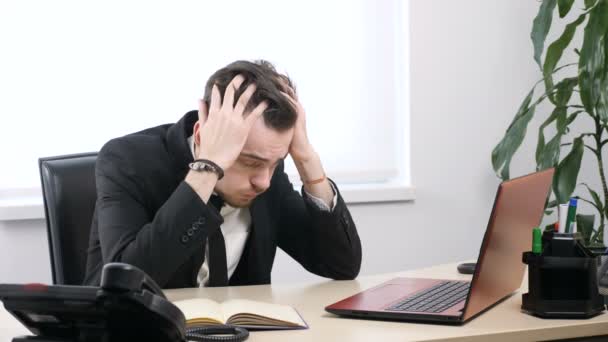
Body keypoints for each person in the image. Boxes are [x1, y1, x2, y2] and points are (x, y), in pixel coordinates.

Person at [83, 60, 361, 289]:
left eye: (276, 163)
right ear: (203, 136)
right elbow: (129, 282)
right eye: (250, 162)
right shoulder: (127, 161)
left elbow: (341, 265)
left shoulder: (266, 175)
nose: (263, 181)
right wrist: (209, 167)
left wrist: (306, 158)